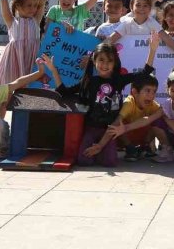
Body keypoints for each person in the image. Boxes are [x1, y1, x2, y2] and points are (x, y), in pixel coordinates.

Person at [42, 33, 158, 167]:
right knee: (84, 161)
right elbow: (64, 92)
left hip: (110, 130)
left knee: (110, 162)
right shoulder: (89, 81)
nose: (105, 64)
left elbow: (144, 73)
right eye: (101, 60)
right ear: (94, 61)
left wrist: (153, 49)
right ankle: (97, 150)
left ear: (115, 63)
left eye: (109, 61)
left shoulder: (119, 80)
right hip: (91, 128)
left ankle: (103, 150)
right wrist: (53, 70)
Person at [0, 0, 48, 84]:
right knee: (11, 86)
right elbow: (3, 1)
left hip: (32, 58)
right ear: (18, 6)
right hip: (14, 60)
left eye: (35, 5)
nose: (33, 8)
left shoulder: (36, 20)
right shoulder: (12, 22)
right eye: (29, 5)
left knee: (30, 87)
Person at [107, 0, 174, 64]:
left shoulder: (152, 23)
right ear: (131, 7)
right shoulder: (126, 23)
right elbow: (111, 39)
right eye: (138, 5)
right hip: (130, 63)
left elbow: (167, 39)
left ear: (150, 9)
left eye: (145, 5)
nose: (141, 8)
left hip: (149, 62)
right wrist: (96, 51)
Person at [114, 71, 167, 161]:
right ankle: (130, 148)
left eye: (154, 92)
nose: (151, 95)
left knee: (158, 120)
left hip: (139, 136)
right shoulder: (129, 103)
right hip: (123, 138)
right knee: (119, 122)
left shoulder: (153, 105)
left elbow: (163, 116)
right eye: (147, 91)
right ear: (134, 92)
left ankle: (145, 147)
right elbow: (116, 123)